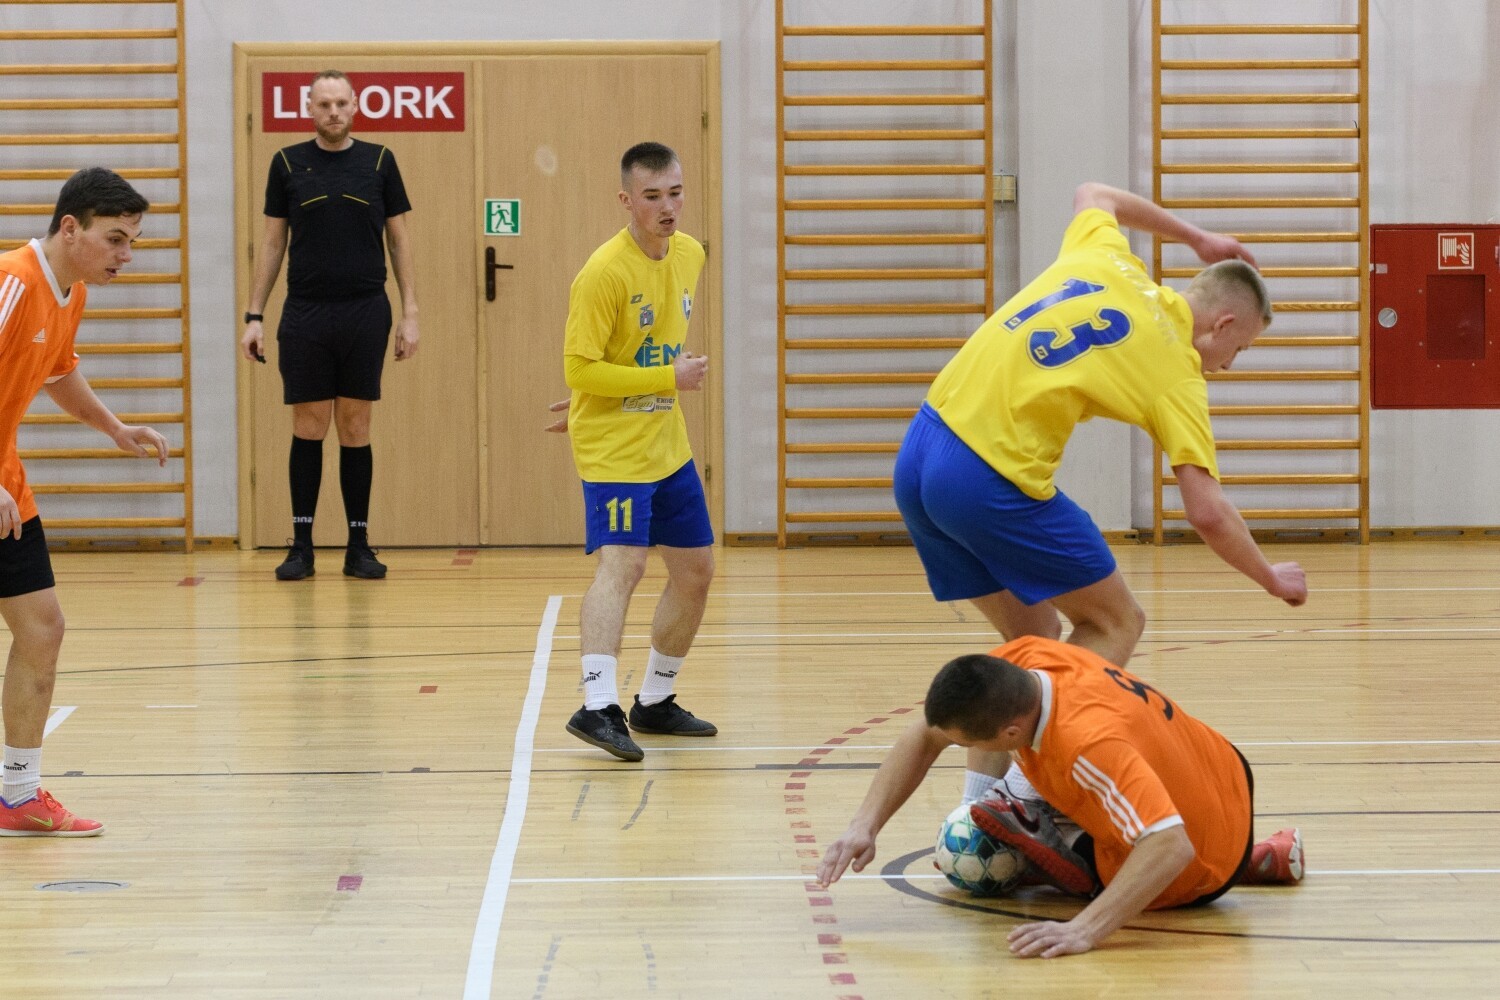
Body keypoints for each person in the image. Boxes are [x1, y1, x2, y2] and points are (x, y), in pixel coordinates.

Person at [892, 182, 1309, 806]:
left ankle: (978, 812)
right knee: (1116, 621)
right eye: (1239, 349)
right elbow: (1207, 514)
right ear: (1222, 324)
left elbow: (1093, 192)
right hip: (984, 476)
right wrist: (1269, 577)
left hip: (920, 451)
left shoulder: (1108, 258)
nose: (1230, 365)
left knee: (1031, 638)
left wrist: (1196, 237)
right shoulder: (1176, 371)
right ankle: (1026, 801)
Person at [816, 636, 1304, 958]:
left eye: (968, 744)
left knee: (1101, 850)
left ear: (1011, 731)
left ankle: (1047, 839)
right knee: (1073, 782)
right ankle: (1257, 858)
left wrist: (1085, 929)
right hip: (1221, 774)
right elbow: (926, 734)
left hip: (1191, 861)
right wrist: (864, 825)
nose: (957, 747)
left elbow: (1170, 846)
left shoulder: (1086, 747)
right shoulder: (1027, 659)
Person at [0, 167, 169, 835]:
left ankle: (18, 796)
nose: (125, 255)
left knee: (42, 629)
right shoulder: (13, 282)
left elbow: (59, 372)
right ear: (70, 229)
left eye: (132, 242)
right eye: (115, 239)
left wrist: (114, 428)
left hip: (8, 484)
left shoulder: (69, 295)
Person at [560, 141, 717, 762]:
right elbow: (580, 367)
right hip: (615, 451)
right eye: (652, 196)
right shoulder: (603, 273)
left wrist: (646, 382)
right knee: (623, 565)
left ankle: (654, 700)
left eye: (675, 193)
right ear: (627, 201)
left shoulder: (691, 253)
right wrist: (664, 379)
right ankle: (597, 705)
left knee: (696, 571)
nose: (667, 207)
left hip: (666, 444)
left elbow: (629, 351)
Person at [240, 69, 419, 581]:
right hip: (306, 313)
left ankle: (358, 546)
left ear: (355, 106)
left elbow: (399, 241)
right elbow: (272, 243)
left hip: (365, 310)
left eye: (341, 103)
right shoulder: (286, 163)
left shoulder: (380, 161)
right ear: (310, 109)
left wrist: (410, 312)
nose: (334, 112)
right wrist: (254, 315)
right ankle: (301, 546)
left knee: (356, 425)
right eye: (324, 104)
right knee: (309, 424)